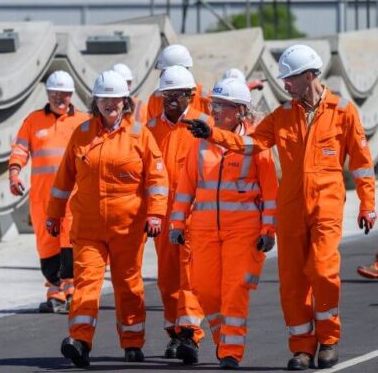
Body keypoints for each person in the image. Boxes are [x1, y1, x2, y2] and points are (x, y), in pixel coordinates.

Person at [183, 44, 376, 370]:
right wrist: (215, 135)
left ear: (310, 76)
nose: (284, 84)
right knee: (292, 281)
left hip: (326, 206)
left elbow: (361, 163)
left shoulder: (344, 112)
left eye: (290, 78)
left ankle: (328, 338)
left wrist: (368, 204)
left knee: (323, 271)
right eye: (284, 78)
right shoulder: (283, 115)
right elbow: (251, 143)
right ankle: (302, 347)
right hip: (291, 210)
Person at [46, 70, 168, 367]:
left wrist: (155, 213)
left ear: (124, 101)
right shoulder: (83, 133)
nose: (110, 104)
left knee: (128, 284)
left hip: (128, 226)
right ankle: (80, 339)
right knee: (87, 282)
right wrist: (54, 214)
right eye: (105, 99)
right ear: (96, 101)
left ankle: (132, 341)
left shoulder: (140, 134)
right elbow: (64, 179)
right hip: (88, 226)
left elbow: (157, 179)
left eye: (116, 99)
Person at [169, 78, 279, 369]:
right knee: (203, 289)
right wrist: (177, 223)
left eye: (222, 106)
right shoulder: (202, 144)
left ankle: (230, 351)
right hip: (203, 231)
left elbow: (270, 192)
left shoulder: (257, 145)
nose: (215, 111)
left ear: (240, 111)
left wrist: (269, 230)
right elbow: (185, 186)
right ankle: (223, 338)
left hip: (243, 231)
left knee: (234, 291)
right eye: (213, 105)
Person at [144, 65, 214, 358]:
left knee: (190, 276)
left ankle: (189, 334)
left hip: (196, 217)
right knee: (168, 279)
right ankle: (175, 333)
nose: (171, 100)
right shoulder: (149, 130)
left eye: (178, 94)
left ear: (191, 95)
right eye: (166, 94)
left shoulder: (205, 126)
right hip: (163, 219)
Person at [9, 70, 90, 313]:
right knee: (47, 244)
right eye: (55, 93)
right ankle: (55, 291)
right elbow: (20, 149)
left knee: (71, 242)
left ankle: (72, 290)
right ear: (48, 94)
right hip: (42, 197)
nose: (59, 98)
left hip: (73, 197)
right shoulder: (33, 121)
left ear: (71, 95)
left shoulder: (83, 121)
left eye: (64, 94)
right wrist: (14, 172)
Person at [142, 44, 212, 124]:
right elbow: (151, 131)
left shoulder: (207, 99)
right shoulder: (155, 99)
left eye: (165, 72)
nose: (161, 75)